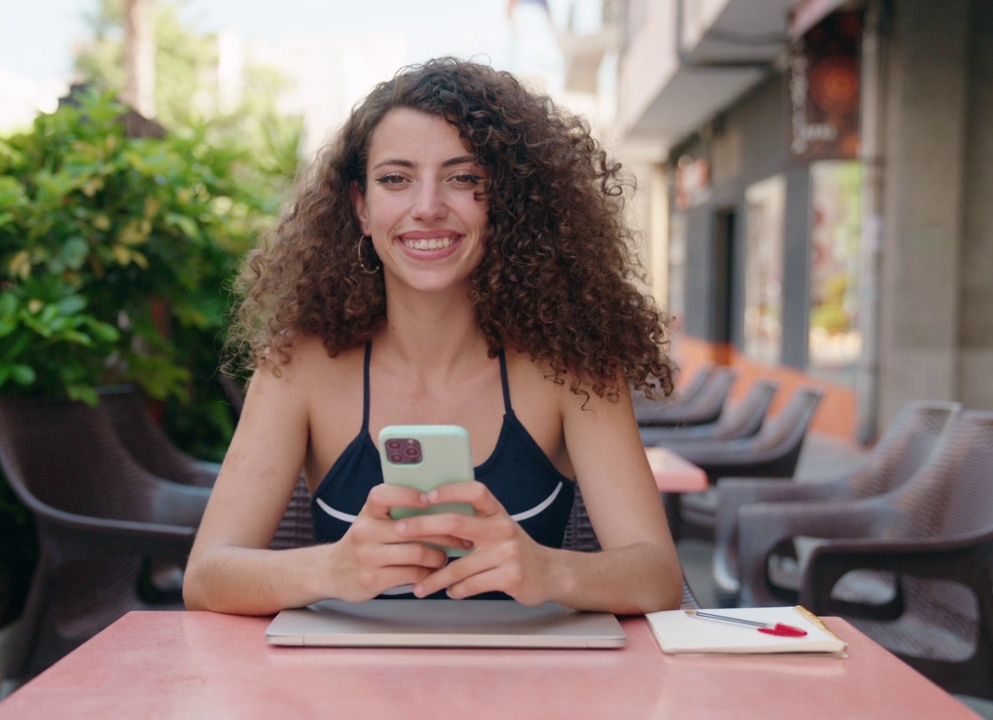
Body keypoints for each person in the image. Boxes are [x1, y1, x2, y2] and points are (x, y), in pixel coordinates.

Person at [183, 57, 682, 616]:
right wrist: (331, 567)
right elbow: (207, 575)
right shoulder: (300, 366)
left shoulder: (573, 367)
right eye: (395, 179)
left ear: (505, 204)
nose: (427, 208)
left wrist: (548, 569)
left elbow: (657, 576)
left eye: (464, 179)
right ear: (361, 208)